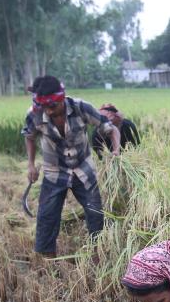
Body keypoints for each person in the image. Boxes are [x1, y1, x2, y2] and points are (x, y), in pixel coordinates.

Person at [22, 75, 121, 258]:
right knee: (47, 216)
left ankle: (97, 254)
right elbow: (29, 136)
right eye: (45, 108)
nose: (49, 112)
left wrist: (116, 150)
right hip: (54, 171)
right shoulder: (35, 114)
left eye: (53, 107)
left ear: (62, 99)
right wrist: (31, 165)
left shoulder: (81, 107)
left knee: (95, 214)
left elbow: (110, 128)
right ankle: (48, 261)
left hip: (83, 170)